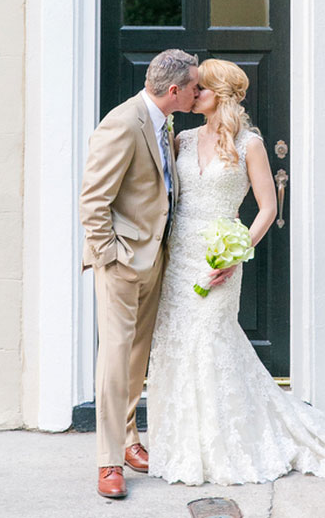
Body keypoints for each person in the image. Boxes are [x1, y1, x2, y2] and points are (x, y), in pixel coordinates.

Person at [144, 58, 325, 485]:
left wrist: (236, 253)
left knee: (211, 341)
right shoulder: (183, 139)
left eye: (201, 88)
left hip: (222, 255)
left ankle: (221, 446)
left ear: (219, 95)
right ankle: (183, 446)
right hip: (181, 257)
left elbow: (267, 208)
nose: (193, 94)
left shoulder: (249, 144)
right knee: (177, 344)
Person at [79, 48, 200, 499]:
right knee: (114, 358)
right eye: (194, 88)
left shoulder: (165, 122)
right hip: (122, 263)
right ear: (175, 90)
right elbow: (93, 200)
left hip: (157, 259)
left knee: (136, 358)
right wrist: (110, 257)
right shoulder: (123, 123)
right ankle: (108, 462)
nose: (197, 94)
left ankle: (130, 440)